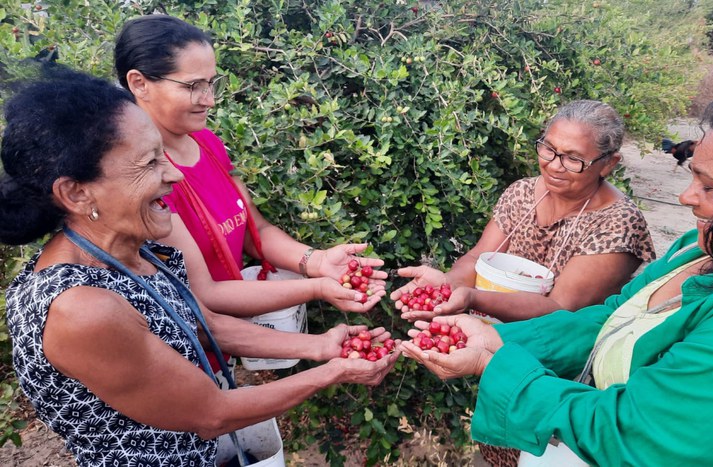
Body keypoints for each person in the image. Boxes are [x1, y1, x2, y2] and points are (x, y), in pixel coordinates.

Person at [0, 67, 399, 466]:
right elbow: (212, 414)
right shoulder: (81, 308)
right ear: (75, 192)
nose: (173, 174)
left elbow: (199, 323)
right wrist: (333, 372)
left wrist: (321, 346)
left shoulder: (126, 250)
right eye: (150, 163)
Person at [401, 91, 713, 465]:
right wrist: (493, 336)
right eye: (549, 149)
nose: (686, 196)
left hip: (570, 412)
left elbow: (632, 433)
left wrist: (492, 358)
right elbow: (611, 316)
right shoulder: (695, 249)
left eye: (708, 187)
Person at [113, 14, 386, 322]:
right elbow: (205, 293)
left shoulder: (206, 143)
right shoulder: (142, 174)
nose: (210, 100)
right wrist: (319, 287)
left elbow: (255, 231)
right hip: (186, 353)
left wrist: (318, 261)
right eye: (193, 86)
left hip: (229, 345)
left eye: (211, 83)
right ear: (139, 83)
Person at [391, 100, 655, 325]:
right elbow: (477, 258)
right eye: (549, 149)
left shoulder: (617, 224)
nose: (554, 166)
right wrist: (447, 285)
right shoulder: (523, 193)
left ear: (608, 163)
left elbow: (561, 308)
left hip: (559, 357)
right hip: (497, 338)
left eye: (573, 159)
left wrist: (471, 297)